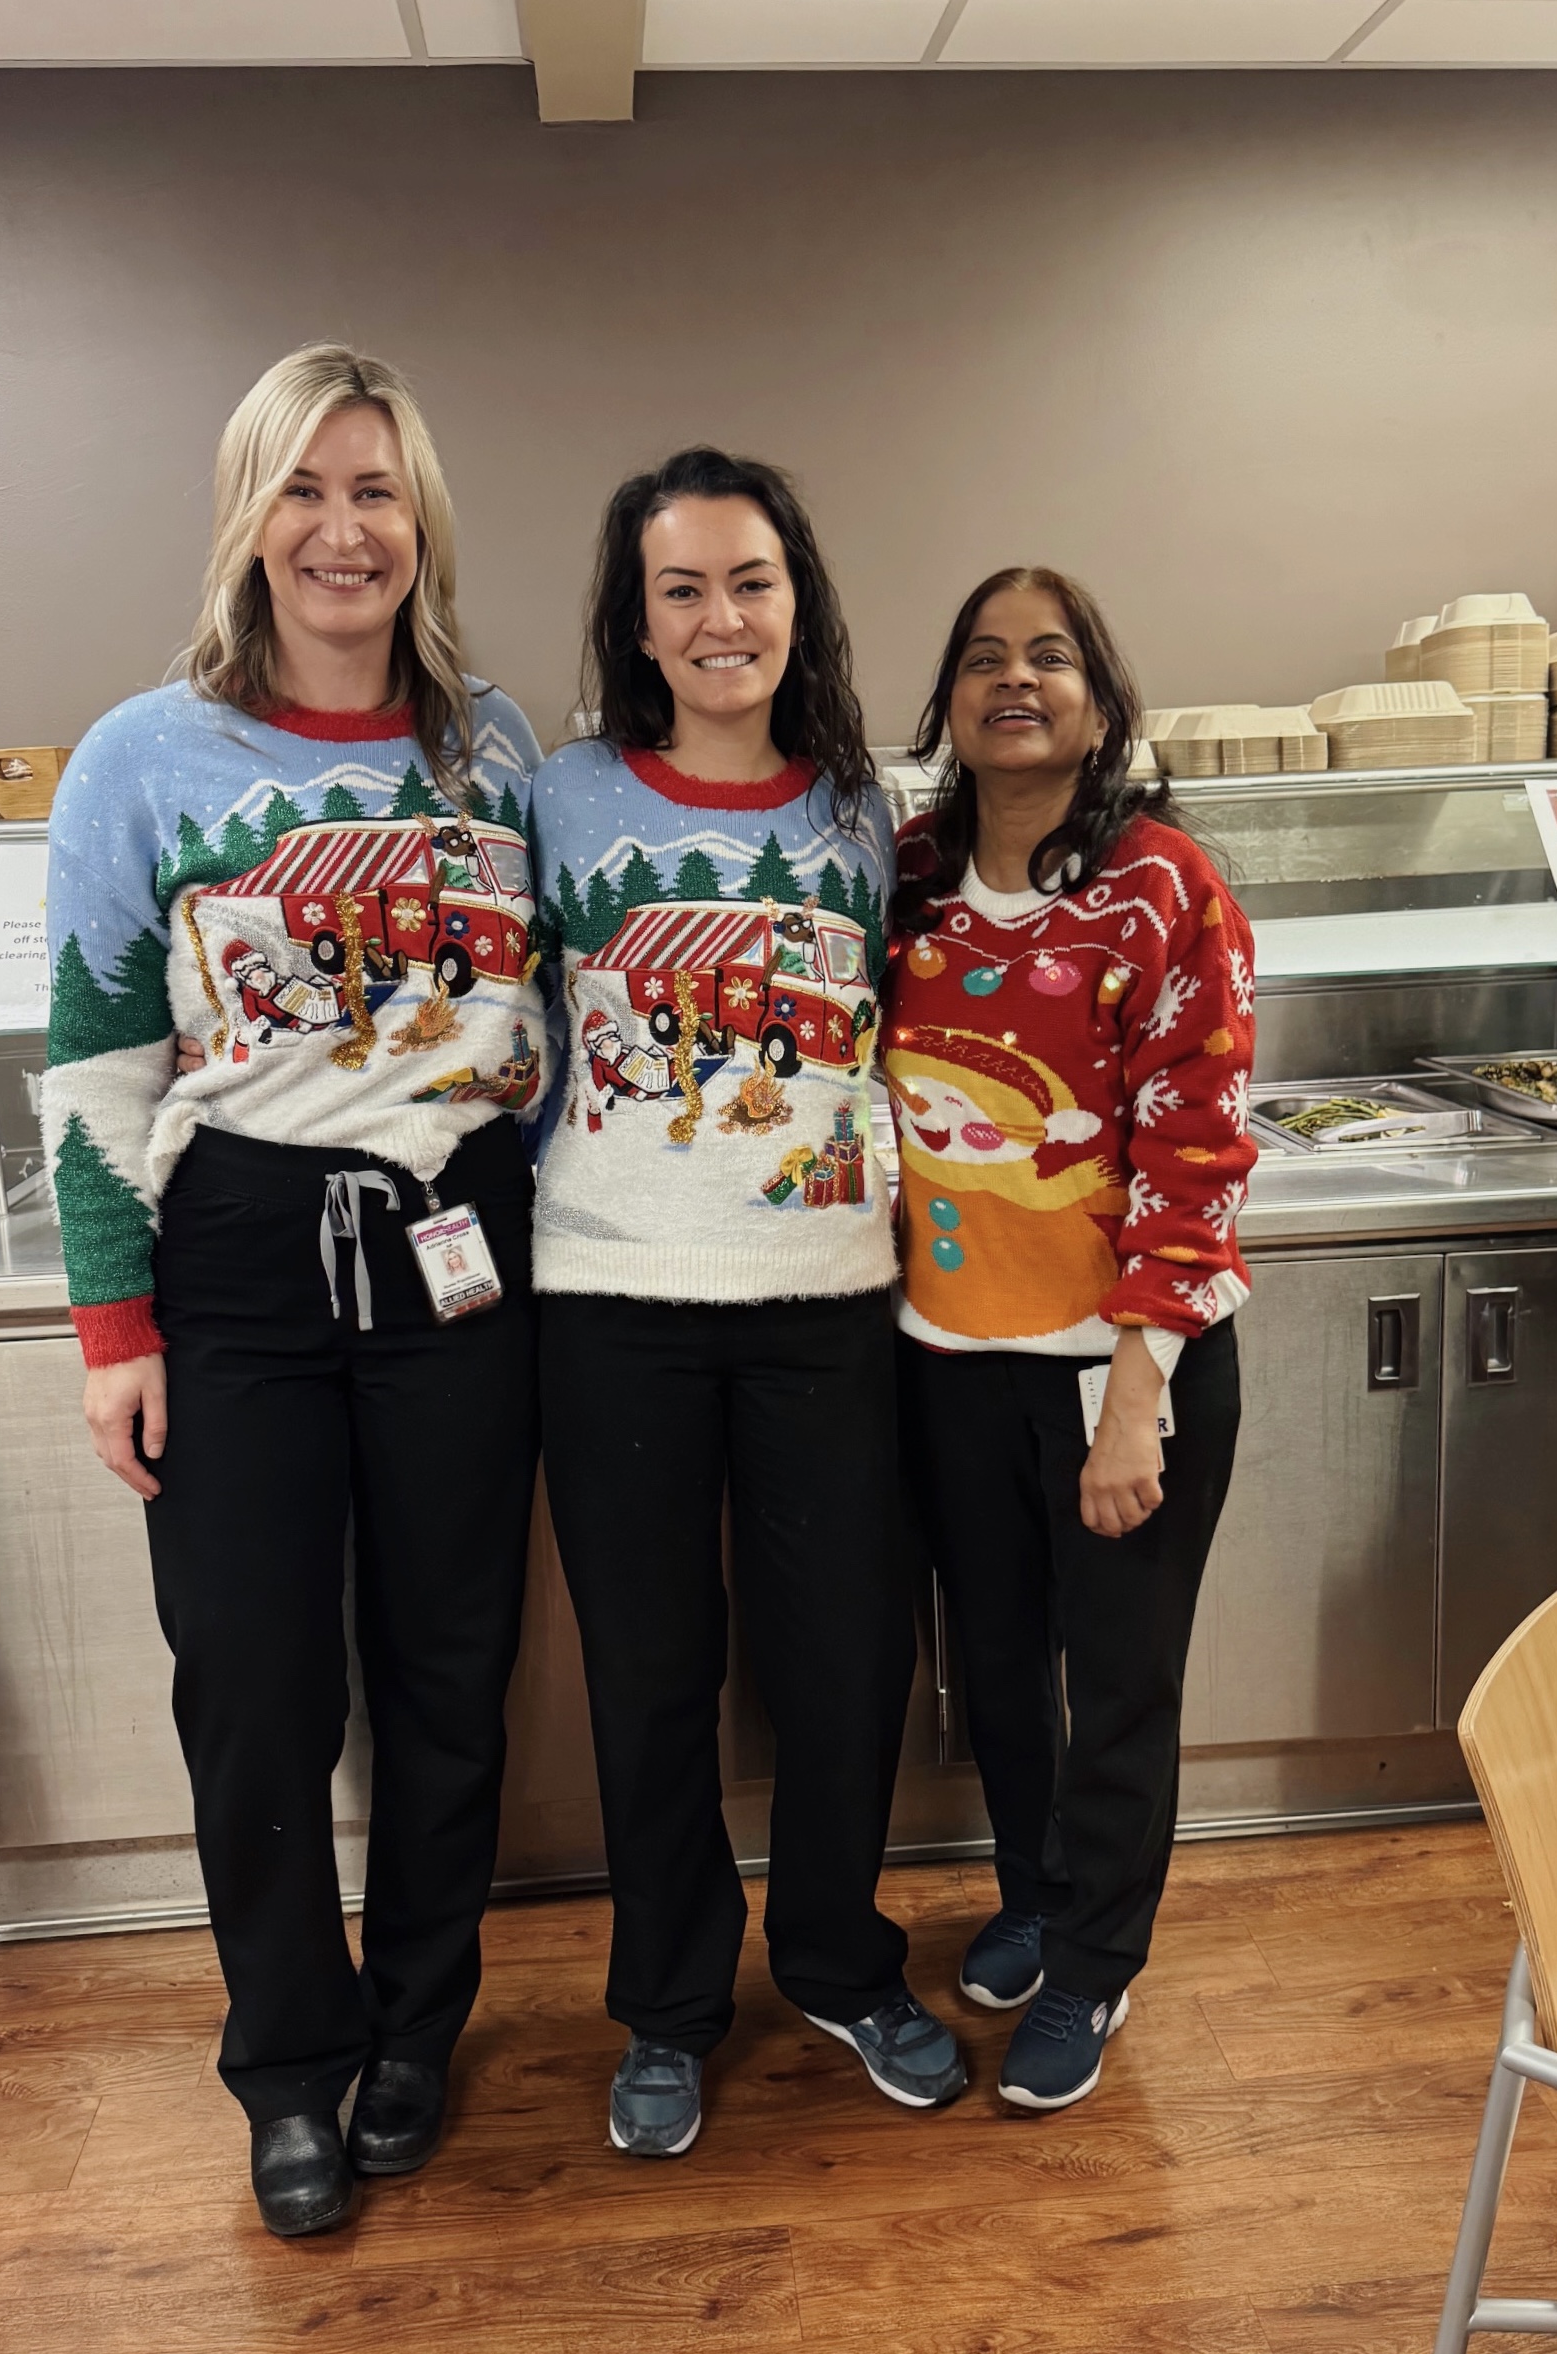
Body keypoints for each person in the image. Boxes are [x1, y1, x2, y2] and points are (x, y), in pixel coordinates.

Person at [44, 344, 545, 2236]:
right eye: (307, 489)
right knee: (254, 1682)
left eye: (379, 491)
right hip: (240, 1260)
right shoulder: (144, 755)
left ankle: (419, 2023)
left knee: (447, 1666)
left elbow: (550, 1010)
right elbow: (93, 1048)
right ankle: (289, 2054)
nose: (345, 530)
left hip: (459, 1252)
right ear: (251, 519)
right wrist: (115, 1333)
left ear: (421, 523)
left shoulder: (490, 747)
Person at [530, 447, 964, 2159]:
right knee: (650, 1676)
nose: (724, 618)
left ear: (800, 599)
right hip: (612, 1295)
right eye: (684, 589)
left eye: (752, 581)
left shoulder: (869, 809)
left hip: (826, 1299)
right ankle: (667, 2004)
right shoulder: (561, 797)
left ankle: (846, 1960)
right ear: (639, 624)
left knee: (845, 1657)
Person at [888, 567, 1255, 2113]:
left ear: (1101, 700)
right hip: (951, 1358)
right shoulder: (904, 879)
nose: (1015, 680)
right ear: (951, 704)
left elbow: (1197, 1155)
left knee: (1114, 1679)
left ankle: (1097, 1961)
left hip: (1125, 1368)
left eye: (1051, 656)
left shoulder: (1166, 887)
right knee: (995, 1660)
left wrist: (1134, 1402)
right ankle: (1035, 1888)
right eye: (983, 658)